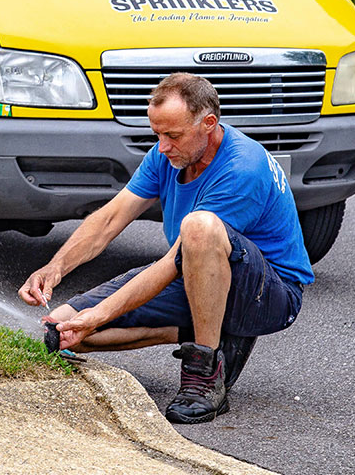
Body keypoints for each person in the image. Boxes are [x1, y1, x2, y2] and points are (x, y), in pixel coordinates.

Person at [18, 72, 313, 424]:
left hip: (268, 295)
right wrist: (56, 267)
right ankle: (205, 332)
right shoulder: (167, 155)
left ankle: (204, 374)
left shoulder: (242, 167)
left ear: (208, 123)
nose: (162, 146)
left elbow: (175, 260)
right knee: (63, 331)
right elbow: (112, 218)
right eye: (157, 134)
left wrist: (100, 314)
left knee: (198, 227)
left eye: (172, 135)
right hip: (195, 272)